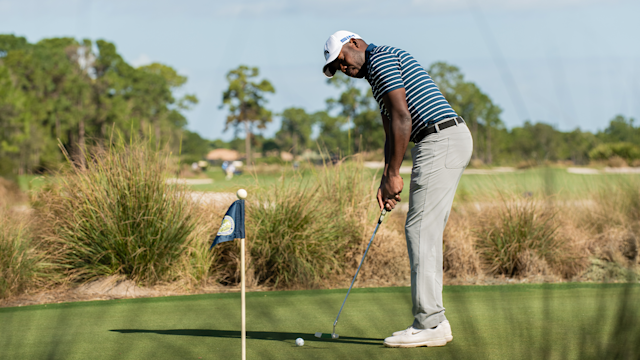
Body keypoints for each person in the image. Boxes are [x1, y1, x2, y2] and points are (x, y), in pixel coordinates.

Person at [322, 30, 473, 348]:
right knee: (424, 230)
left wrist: (393, 173)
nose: (344, 70)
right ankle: (433, 321)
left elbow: (403, 117)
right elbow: (392, 127)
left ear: (355, 43)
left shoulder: (381, 59)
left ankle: (430, 322)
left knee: (420, 230)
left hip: (440, 138)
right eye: (337, 69)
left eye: (342, 61)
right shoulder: (377, 74)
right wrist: (387, 177)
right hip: (439, 140)